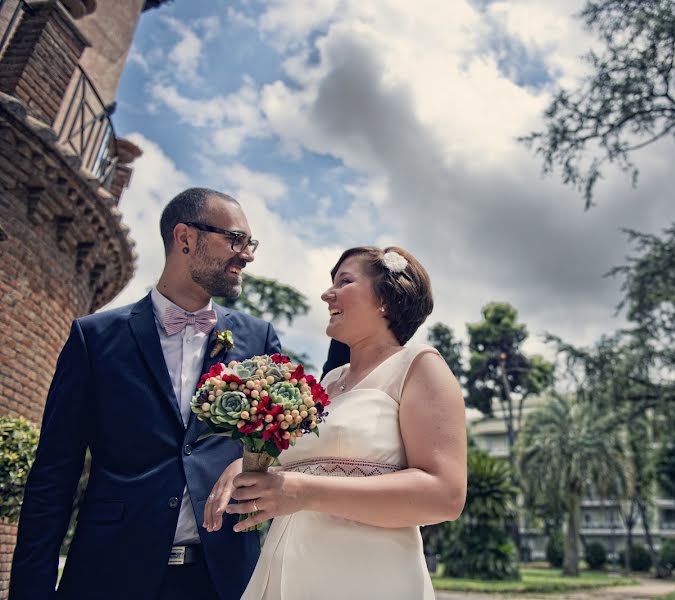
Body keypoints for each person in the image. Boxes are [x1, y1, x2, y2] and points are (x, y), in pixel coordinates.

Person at [11, 188, 290, 600]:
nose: (246, 254)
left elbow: (289, 436)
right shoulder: (94, 338)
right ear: (185, 238)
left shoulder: (259, 339)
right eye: (235, 239)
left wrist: (250, 466)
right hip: (109, 576)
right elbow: (53, 476)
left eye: (250, 243)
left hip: (223, 580)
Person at [204, 246, 467, 600]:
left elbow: (445, 495)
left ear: (385, 299)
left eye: (344, 281)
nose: (328, 294)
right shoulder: (327, 383)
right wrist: (247, 464)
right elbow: (299, 466)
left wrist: (304, 491)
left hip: (365, 577)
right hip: (287, 568)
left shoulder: (419, 365)